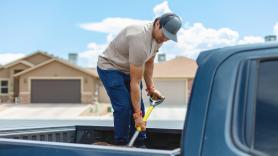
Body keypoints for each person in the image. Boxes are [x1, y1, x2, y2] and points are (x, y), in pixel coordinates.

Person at [97, 13, 182, 146]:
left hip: (128, 68)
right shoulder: (139, 39)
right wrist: (137, 116)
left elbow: (149, 63)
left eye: (169, 37)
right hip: (110, 67)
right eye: (164, 34)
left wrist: (151, 88)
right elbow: (135, 83)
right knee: (124, 107)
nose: (165, 39)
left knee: (138, 106)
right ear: (158, 23)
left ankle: (139, 144)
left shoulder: (158, 38)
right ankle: (122, 145)